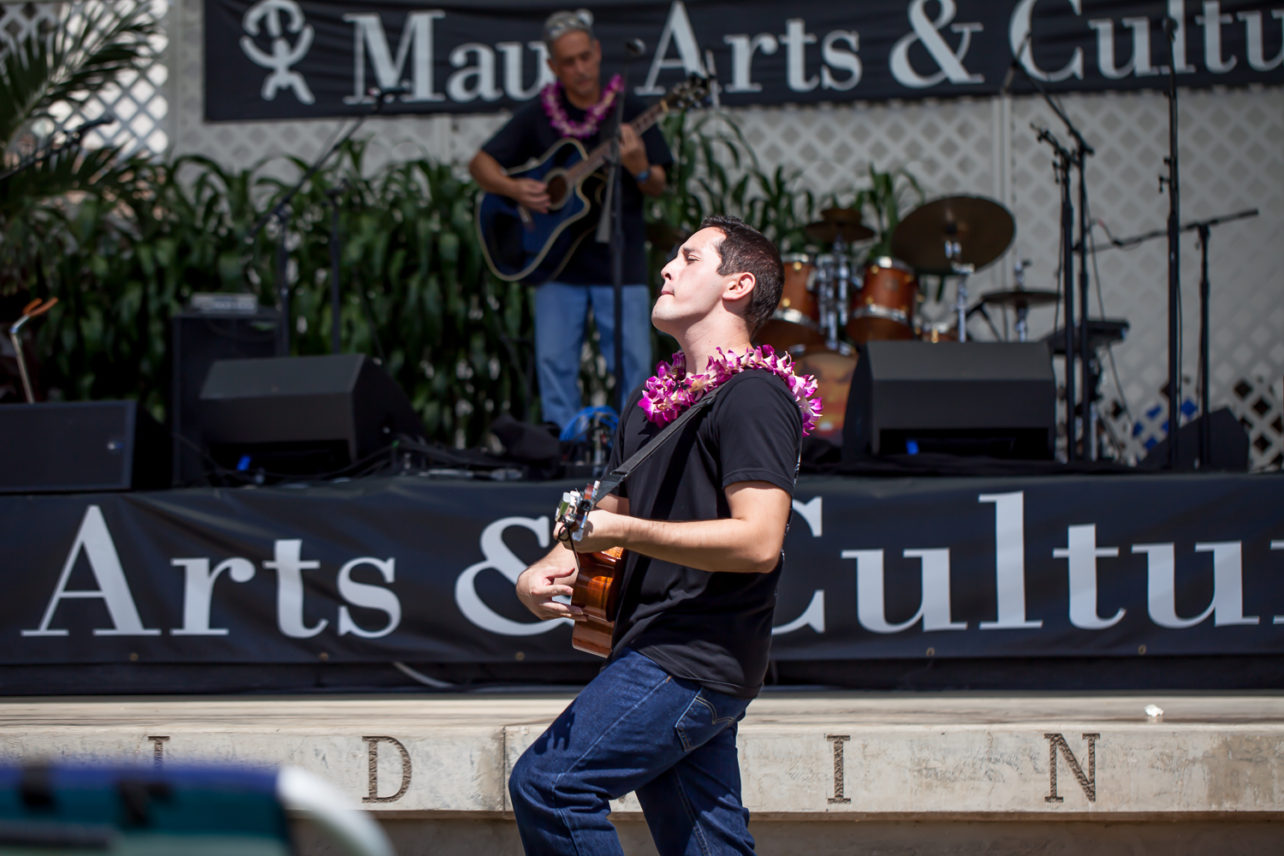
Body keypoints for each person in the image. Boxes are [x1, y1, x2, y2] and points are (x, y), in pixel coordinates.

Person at [510, 215, 821, 855]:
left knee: (550, 785)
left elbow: (759, 542)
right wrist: (548, 562)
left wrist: (625, 529)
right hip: (654, 646)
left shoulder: (756, 397)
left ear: (737, 285)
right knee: (706, 845)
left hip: (692, 654)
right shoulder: (655, 399)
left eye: (688, 257)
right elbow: (607, 505)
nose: (666, 269)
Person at [469, 9, 674, 433]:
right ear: (552, 66)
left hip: (619, 260)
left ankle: (637, 446)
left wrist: (637, 166)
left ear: (598, 52)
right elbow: (480, 164)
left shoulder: (630, 111)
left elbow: (659, 183)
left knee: (633, 362)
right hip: (555, 262)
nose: (580, 69)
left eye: (585, 57)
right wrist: (515, 189)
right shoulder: (540, 115)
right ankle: (563, 448)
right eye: (568, 62)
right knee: (555, 360)